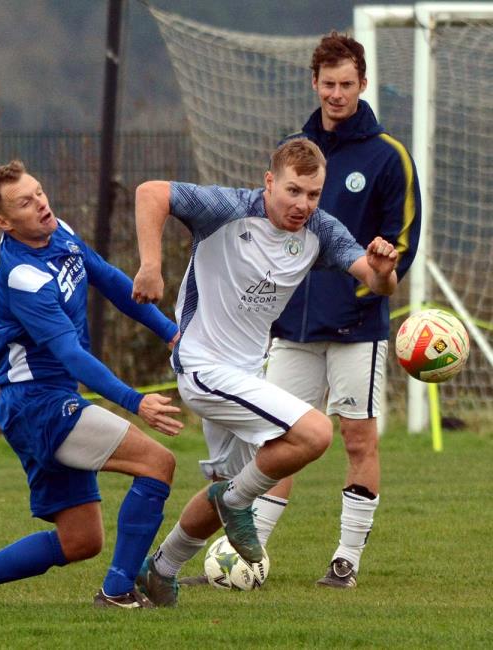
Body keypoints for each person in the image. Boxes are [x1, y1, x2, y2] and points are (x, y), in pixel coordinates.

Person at [130, 138, 399, 606]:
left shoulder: (321, 230)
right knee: (314, 434)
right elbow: (151, 192)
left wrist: (382, 271)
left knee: (225, 485)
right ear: (269, 181)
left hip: (247, 376)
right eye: (293, 191)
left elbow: (376, 281)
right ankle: (235, 504)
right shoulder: (229, 209)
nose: (303, 205)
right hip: (203, 367)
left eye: (313, 194)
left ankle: (160, 570)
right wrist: (151, 266)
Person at [0, 160, 183, 609]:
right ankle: (118, 591)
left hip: (46, 403)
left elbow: (111, 281)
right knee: (158, 463)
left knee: (81, 540)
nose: (41, 203)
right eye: (26, 202)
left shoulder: (57, 230)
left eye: (39, 192)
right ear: (3, 222)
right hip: (38, 407)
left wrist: (170, 332)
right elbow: (71, 356)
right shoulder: (23, 277)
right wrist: (135, 402)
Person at [265, 31, 421, 588]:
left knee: (358, 439)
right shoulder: (293, 152)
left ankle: (345, 560)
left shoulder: (387, 156)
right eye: (327, 84)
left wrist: (384, 258)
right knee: (276, 439)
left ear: (362, 84)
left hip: (358, 327)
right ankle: (249, 556)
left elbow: (399, 245)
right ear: (315, 83)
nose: (336, 94)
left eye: (346, 84)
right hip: (291, 323)